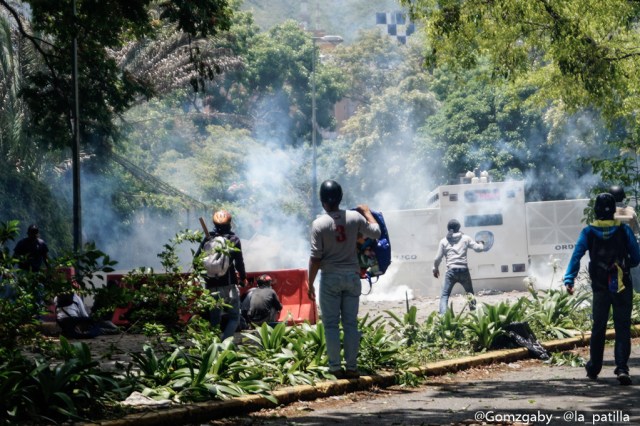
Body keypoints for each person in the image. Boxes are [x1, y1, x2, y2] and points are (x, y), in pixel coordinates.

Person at [563, 192, 640, 385]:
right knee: (622, 327)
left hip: (600, 286)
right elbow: (637, 256)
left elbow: (576, 256)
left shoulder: (588, 232)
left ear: (596, 211)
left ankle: (594, 368)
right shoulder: (623, 230)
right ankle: (622, 368)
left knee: (598, 327)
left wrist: (569, 280)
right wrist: (623, 266)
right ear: (614, 210)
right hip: (622, 286)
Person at [308, 180, 381, 379]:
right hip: (352, 276)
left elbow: (315, 257)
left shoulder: (319, 224)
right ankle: (352, 367)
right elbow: (376, 232)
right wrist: (366, 211)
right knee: (350, 324)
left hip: (330, 278)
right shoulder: (355, 217)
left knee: (331, 325)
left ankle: (335, 368)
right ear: (340, 198)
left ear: (323, 201)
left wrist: (310, 283)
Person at [194, 210, 247, 341]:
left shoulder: (208, 239)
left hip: (211, 285)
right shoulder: (233, 240)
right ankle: (225, 342)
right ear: (230, 223)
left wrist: (208, 274)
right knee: (234, 317)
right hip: (229, 284)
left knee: (214, 319)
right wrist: (243, 278)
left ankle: (214, 345)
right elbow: (239, 263)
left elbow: (196, 262)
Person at [432, 219, 485, 315]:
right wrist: (481, 243)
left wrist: (435, 269)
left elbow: (437, 259)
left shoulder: (444, 241)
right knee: (470, 294)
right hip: (464, 270)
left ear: (448, 229)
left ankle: (443, 318)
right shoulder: (465, 238)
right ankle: (475, 317)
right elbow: (479, 249)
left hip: (451, 272)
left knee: (444, 296)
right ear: (459, 228)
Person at [55, 293, 120, 339]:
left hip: (61, 321)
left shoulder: (56, 297)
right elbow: (84, 314)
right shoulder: (75, 296)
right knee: (95, 323)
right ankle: (112, 330)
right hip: (74, 321)